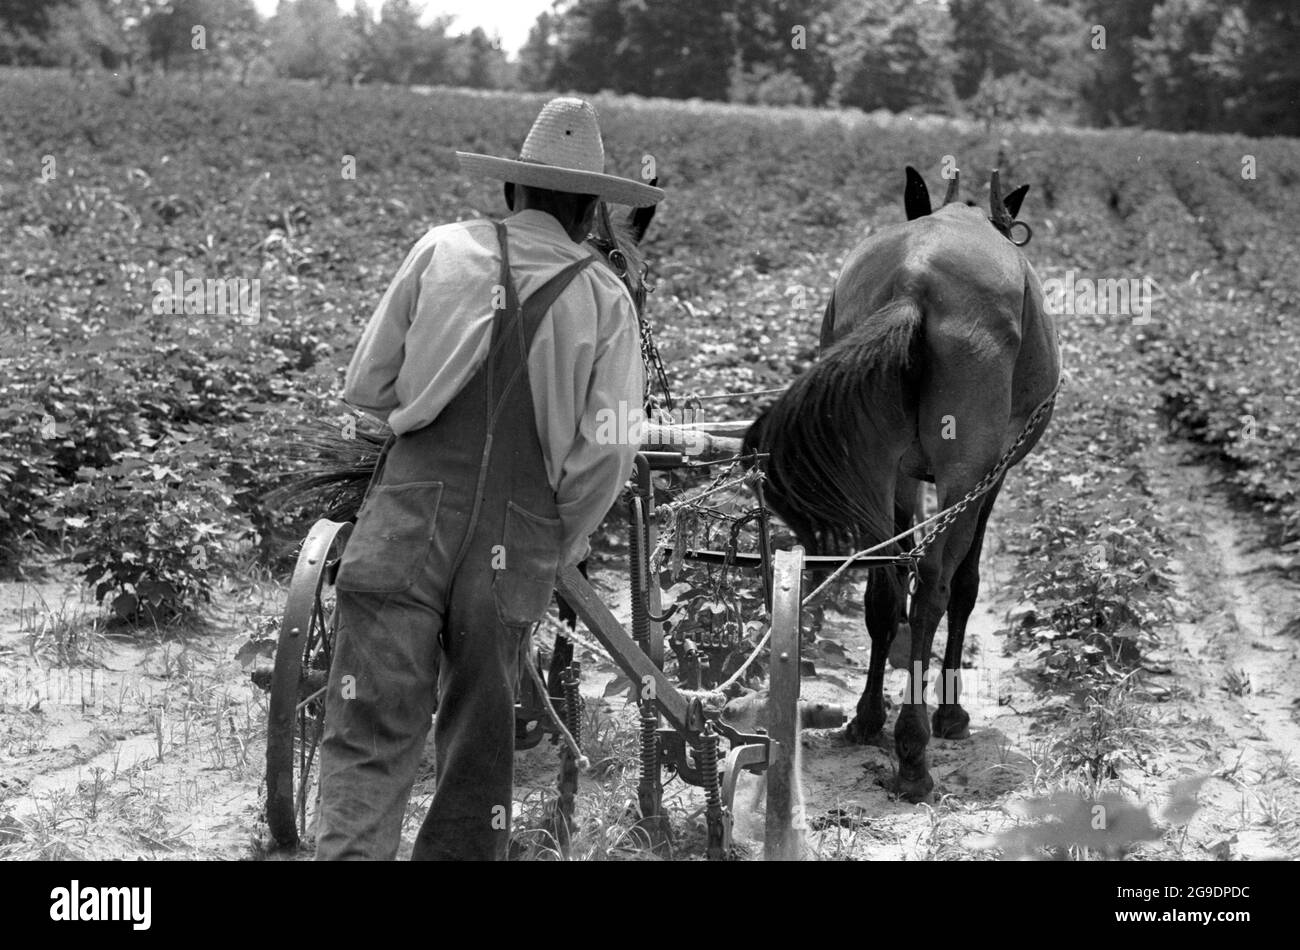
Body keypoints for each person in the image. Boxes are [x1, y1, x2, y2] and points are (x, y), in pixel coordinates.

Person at [314, 98, 664, 860]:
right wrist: (551, 538)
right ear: (590, 212)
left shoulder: (442, 249)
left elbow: (367, 388)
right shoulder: (605, 297)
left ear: (512, 191)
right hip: (514, 539)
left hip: (407, 516)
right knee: (479, 742)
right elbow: (607, 454)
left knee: (370, 729)